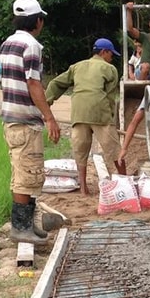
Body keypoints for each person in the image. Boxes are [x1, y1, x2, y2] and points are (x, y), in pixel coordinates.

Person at [0, 0, 61, 245]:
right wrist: (49, 117)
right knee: (28, 173)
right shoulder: (32, 46)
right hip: (25, 120)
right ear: (37, 21)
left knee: (22, 172)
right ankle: (21, 228)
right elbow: (33, 83)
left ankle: (27, 226)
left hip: (10, 119)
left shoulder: (7, 43)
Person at [44, 38, 121, 194]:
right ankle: (125, 181)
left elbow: (55, 84)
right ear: (104, 52)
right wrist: (111, 118)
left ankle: (84, 189)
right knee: (115, 150)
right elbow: (110, 96)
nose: (111, 57)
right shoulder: (110, 68)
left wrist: (47, 102)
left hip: (79, 113)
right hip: (100, 113)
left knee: (80, 151)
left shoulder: (76, 66)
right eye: (111, 54)